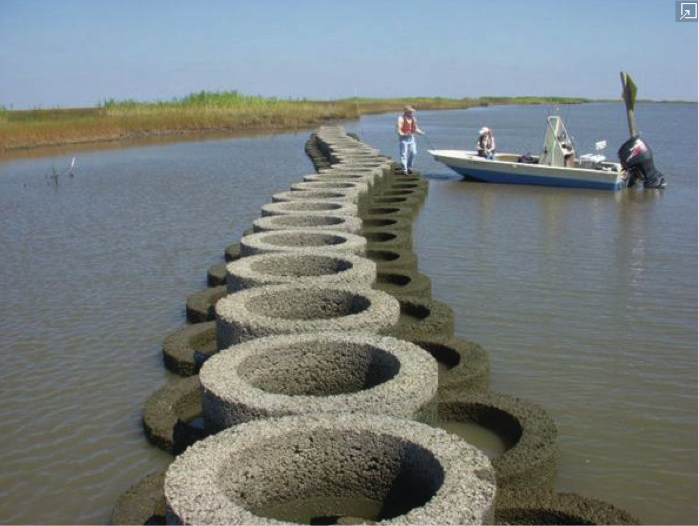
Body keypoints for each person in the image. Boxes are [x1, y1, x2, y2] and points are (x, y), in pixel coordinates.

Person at [397, 105, 425, 174]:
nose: (411, 113)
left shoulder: (413, 118)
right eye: (410, 112)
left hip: (411, 138)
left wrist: (421, 132)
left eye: (412, 112)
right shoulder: (401, 118)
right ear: (406, 112)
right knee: (403, 154)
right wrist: (402, 134)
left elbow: (415, 129)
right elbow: (399, 129)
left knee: (414, 153)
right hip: (403, 138)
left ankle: (409, 167)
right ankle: (404, 169)